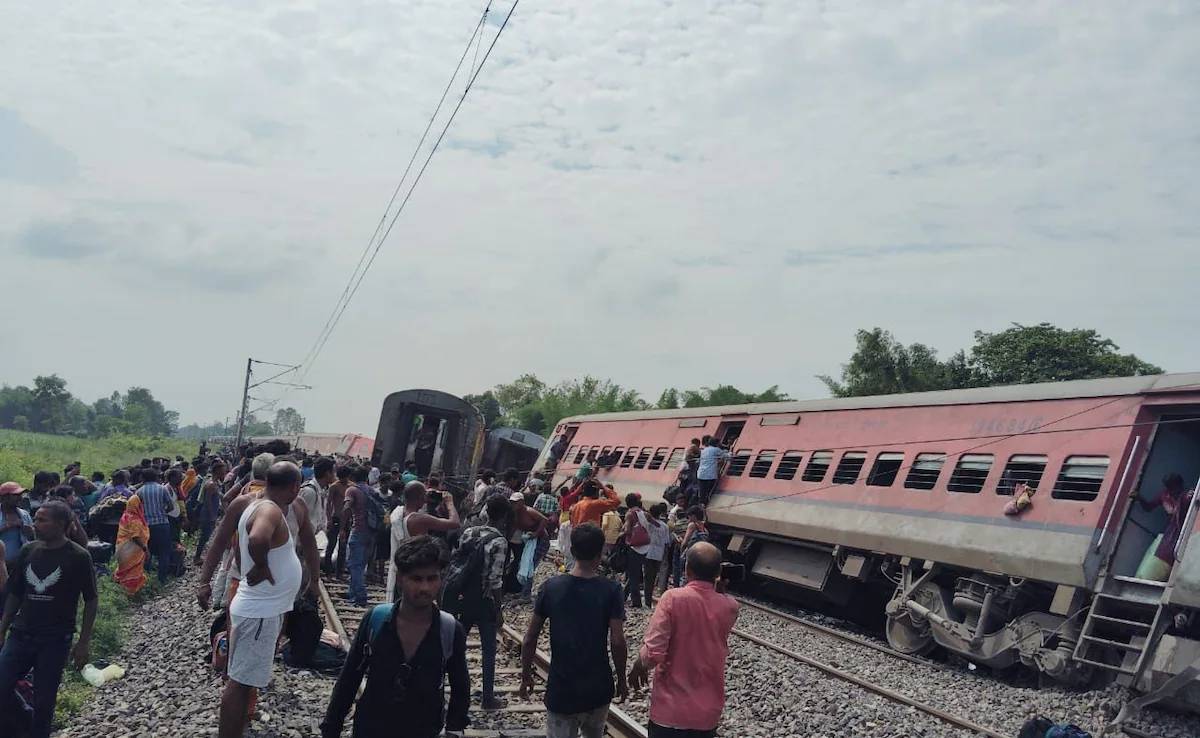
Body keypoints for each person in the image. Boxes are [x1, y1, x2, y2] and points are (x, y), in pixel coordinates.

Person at [321, 536, 469, 738]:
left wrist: (454, 730)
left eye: (432, 578)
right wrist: (331, 728)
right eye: (416, 579)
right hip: (371, 729)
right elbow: (349, 679)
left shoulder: (450, 629)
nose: (425, 588)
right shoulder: (376, 621)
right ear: (400, 579)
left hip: (423, 730)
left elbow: (460, 688)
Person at [218, 461, 305, 738]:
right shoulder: (269, 509)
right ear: (294, 487)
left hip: (259, 609)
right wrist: (263, 567)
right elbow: (257, 540)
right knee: (239, 683)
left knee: (241, 682)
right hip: (259, 613)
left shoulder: (256, 505)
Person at [0, 500, 98, 738]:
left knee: (44, 701)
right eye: (36, 518)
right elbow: (15, 593)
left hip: (54, 639)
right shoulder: (29, 550)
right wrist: (2, 628)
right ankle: (24, 720)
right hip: (21, 634)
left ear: (61, 524)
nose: (35, 524)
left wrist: (83, 641)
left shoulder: (78, 556)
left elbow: (91, 600)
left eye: (42, 520)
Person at [520, 523, 627, 738]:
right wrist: (622, 679)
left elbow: (530, 638)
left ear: (571, 550)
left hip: (562, 688)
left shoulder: (550, 587)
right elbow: (617, 640)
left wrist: (525, 676)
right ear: (600, 554)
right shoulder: (611, 590)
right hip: (598, 686)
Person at [628, 542, 738, 738]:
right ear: (718, 572)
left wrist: (639, 665)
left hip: (671, 711)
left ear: (687, 570)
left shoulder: (673, 598)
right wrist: (718, 588)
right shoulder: (730, 606)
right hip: (707, 714)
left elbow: (654, 652)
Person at [447, 495, 511, 711]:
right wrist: (499, 608)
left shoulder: (469, 531)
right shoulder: (499, 541)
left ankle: (448, 689)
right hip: (484, 602)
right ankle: (487, 698)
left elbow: (457, 561)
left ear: (485, 511)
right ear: (503, 516)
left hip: (463, 598)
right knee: (488, 650)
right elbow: (495, 579)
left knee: (455, 646)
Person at [386, 482, 461, 600]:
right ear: (420, 498)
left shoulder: (398, 512)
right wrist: (449, 502)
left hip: (401, 567)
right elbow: (455, 523)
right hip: (417, 568)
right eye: (424, 495)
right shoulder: (418, 518)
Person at [1135, 473, 1196, 581]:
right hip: (1172, 533)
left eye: (1175, 487)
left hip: (1186, 532)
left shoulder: (1187, 495)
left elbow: (1189, 502)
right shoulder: (1164, 495)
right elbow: (1149, 507)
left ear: (1180, 485)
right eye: (1170, 487)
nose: (1173, 491)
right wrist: (1139, 497)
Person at [138, 467, 180, 583]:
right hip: (162, 524)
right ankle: (162, 579)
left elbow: (137, 509)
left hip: (146, 526)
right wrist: (162, 512)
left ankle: (147, 579)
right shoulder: (162, 489)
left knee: (147, 551)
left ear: (143, 478)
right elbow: (170, 506)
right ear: (155, 477)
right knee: (164, 552)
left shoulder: (139, 491)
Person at [341, 465, 373, 606]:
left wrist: (342, 528)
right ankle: (352, 593)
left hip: (358, 530)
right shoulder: (372, 490)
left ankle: (360, 596)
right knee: (361, 564)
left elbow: (347, 507)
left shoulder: (352, 490)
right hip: (371, 533)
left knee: (354, 565)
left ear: (352, 478)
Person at [506, 491, 547, 597]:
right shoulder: (515, 514)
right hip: (530, 541)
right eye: (512, 502)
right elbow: (515, 527)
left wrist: (536, 533)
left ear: (522, 502)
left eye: (516, 502)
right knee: (523, 563)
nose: (513, 504)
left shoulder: (529, 511)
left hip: (541, 540)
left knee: (529, 566)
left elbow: (544, 520)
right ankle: (522, 590)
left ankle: (526, 595)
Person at [113, 495, 151, 595]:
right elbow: (135, 537)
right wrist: (145, 548)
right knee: (132, 571)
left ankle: (122, 592)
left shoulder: (126, 515)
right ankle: (130, 593)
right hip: (130, 550)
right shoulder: (135, 520)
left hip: (122, 548)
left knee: (124, 571)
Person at [621, 495, 654, 608]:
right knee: (635, 574)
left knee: (633, 575)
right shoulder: (644, 513)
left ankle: (636, 602)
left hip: (635, 547)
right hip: (646, 546)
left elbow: (628, 530)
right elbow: (656, 524)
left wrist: (622, 533)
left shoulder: (630, 514)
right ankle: (623, 596)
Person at [193, 460, 227, 565]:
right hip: (208, 514)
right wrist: (212, 515)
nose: (224, 472)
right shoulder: (211, 484)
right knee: (205, 536)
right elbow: (207, 502)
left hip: (211, 513)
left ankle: (199, 556)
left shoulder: (215, 483)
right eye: (223, 470)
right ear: (217, 471)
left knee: (206, 535)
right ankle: (197, 557)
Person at [324, 464, 351, 575]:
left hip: (347, 520)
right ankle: (328, 568)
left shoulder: (351, 487)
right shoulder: (334, 486)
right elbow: (329, 503)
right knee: (331, 544)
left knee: (343, 546)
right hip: (336, 518)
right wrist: (329, 519)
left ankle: (339, 570)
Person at [298, 456, 334, 537]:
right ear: (327, 473)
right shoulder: (310, 491)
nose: (335, 475)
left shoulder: (322, 491)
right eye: (333, 472)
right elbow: (301, 520)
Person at [0, 482, 34, 570]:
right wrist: (7, 526)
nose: (20, 498)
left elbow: (31, 538)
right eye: (16, 495)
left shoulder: (24, 514)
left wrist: (30, 531)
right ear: (4, 497)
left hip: (21, 565)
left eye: (21, 495)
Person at [644, 503, 670, 604]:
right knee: (653, 577)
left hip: (647, 553)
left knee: (647, 577)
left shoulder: (648, 524)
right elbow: (667, 542)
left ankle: (647, 600)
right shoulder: (665, 526)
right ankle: (649, 598)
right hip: (659, 554)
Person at [694, 437, 730, 507]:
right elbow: (727, 456)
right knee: (708, 491)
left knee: (702, 491)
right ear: (716, 443)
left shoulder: (704, 450)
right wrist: (729, 453)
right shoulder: (716, 449)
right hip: (709, 475)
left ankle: (700, 504)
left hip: (701, 474)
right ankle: (704, 504)